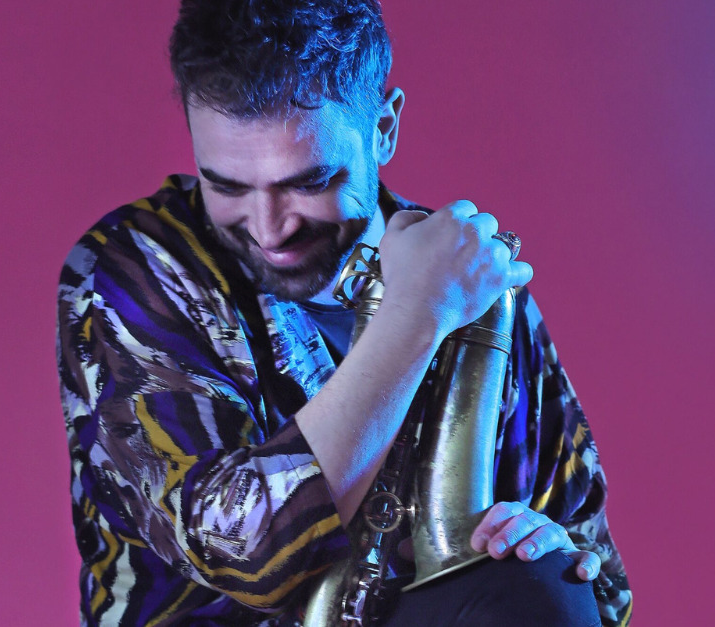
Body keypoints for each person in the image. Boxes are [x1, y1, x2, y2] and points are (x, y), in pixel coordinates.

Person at [56, 0, 631, 625]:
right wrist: (415, 316)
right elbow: (241, 557)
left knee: (543, 587)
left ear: (383, 127)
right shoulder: (130, 267)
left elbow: (603, 584)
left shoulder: (470, 275)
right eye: (227, 186)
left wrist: (545, 546)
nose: (270, 230)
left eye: (309, 182)